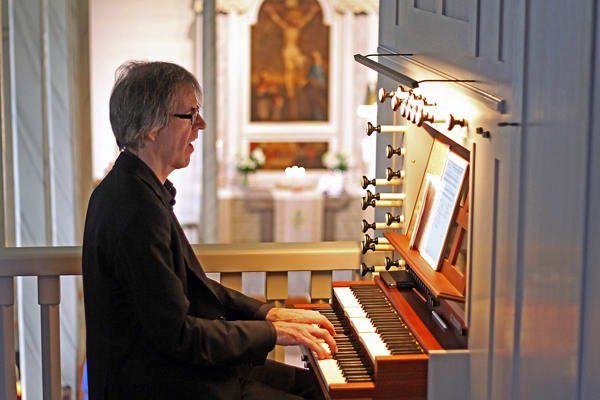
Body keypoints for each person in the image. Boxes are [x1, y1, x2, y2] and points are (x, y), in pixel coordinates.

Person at [82, 61, 337, 399]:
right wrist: (273, 333)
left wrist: (267, 313)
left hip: (179, 371)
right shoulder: (134, 209)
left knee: (323, 387)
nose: (200, 125)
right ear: (152, 127)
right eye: (190, 115)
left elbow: (192, 285)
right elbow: (179, 335)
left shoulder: (137, 188)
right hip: (161, 384)